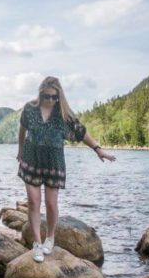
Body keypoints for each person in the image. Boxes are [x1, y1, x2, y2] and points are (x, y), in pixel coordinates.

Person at [16, 75, 116, 262]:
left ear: (59, 96)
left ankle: (50, 238)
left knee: (51, 203)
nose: (51, 100)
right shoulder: (30, 109)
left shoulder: (63, 114)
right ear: (41, 93)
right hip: (31, 159)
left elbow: (82, 132)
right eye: (47, 96)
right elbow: (22, 130)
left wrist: (98, 150)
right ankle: (37, 243)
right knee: (33, 201)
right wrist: (20, 150)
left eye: (55, 97)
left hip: (54, 162)